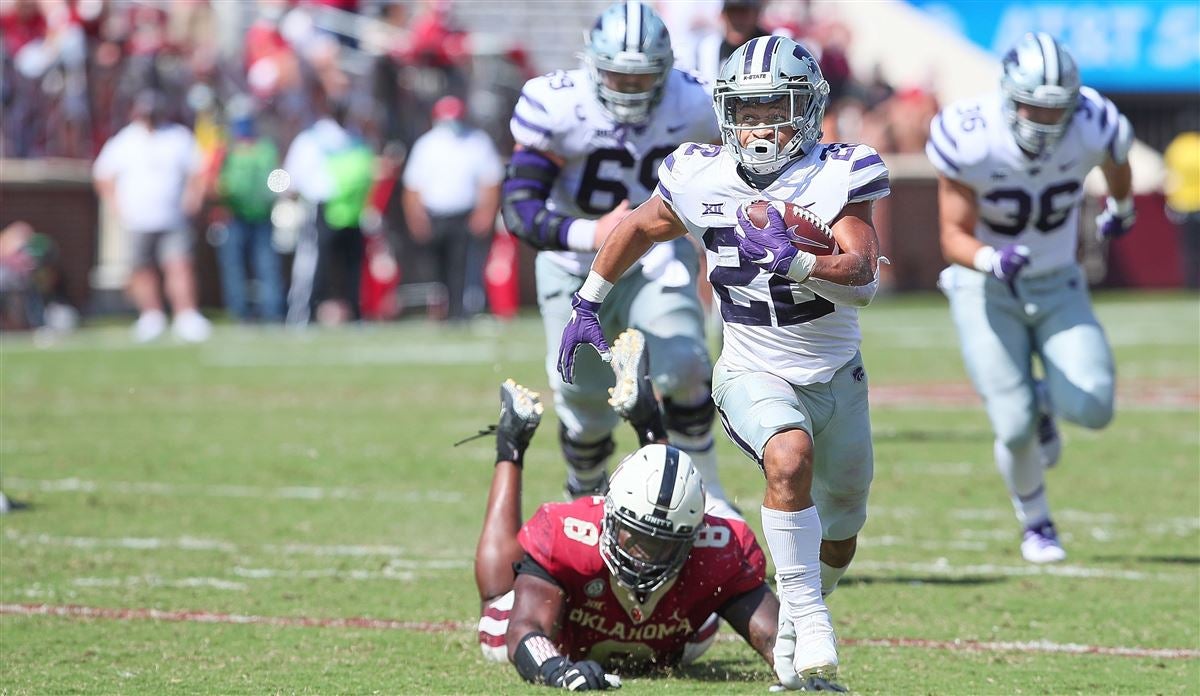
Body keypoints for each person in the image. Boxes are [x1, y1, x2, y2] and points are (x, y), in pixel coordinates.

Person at [557, 35, 889, 692]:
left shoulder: (838, 171)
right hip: (749, 366)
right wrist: (588, 300)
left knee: (844, 522)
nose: (762, 124)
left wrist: (795, 261)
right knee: (788, 458)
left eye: (776, 108)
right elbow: (637, 226)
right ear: (726, 113)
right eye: (749, 110)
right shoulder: (700, 173)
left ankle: (793, 620)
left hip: (835, 373)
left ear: (809, 108)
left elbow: (863, 276)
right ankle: (809, 614)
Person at [501, 1, 734, 515]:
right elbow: (519, 210)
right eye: (616, 76)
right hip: (571, 265)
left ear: (666, 71)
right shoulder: (557, 104)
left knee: (685, 366)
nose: (629, 89)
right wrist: (595, 232)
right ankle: (585, 497)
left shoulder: (694, 102)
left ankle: (710, 498)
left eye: (642, 78)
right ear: (592, 65)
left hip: (654, 258)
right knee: (582, 402)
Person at [925, 33, 1134, 563]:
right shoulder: (972, 136)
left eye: (1054, 110)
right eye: (1031, 108)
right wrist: (991, 259)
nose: (1043, 122)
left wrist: (1123, 204)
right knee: (1012, 425)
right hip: (984, 285)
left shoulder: (1093, 123)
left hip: (1058, 278)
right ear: (1006, 97)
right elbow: (952, 234)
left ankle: (1047, 402)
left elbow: (1117, 160)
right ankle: (1036, 523)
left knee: (1093, 407)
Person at [471, 371, 784, 688]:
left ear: (693, 535)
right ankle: (511, 443)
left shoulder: (718, 549)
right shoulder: (569, 537)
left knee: (704, 630)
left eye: (663, 544)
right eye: (635, 537)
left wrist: (800, 665)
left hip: (677, 636)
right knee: (497, 618)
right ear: (609, 517)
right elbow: (525, 629)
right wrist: (557, 669)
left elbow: (778, 638)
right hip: (566, 635)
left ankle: (651, 425)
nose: (645, 556)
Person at [93, 89, 211, 343]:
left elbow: (198, 171)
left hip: (173, 217)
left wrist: (193, 197)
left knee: (179, 265)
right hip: (137, 218)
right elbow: (102, 175)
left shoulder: (178, 137)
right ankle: (151, 316)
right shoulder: (124, 140)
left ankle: (186, 315)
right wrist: (114, 203)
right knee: (141, 269)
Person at [402, 95, 503, 321]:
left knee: (462, 267)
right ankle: (438, 312)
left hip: (464, 214)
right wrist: (416, 217)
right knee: (434, 269)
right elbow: (413, 186)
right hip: (434, 214)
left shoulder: (477, 141)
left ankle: (460, 313)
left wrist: (485, 213)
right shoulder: (426, 144)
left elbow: (490, 180)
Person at [282, 95, 375, 325]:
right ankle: (304, 314)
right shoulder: (311, 139)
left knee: (352, 266)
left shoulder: (356, 138)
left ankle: (354, 313)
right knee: (315, 264)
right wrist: (283, 195)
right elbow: (288, 178)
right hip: (320, 207)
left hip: (352, 210)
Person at [213, 104, 286, 323]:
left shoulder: (265, 149)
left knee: (267, 264)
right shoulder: (226, 151)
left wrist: (277, 197)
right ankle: (240, 312)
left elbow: (278, 178)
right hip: (233, 216)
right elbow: (215, 180)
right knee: (234, 266)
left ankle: (273, 311)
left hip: (262, 215)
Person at [681, 0, 769, 86]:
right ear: (722, 15)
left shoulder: (774, 45)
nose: (737, 19)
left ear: (756, 14)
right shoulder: (707, 49)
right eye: (732, 12)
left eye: (743, 12)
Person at [1163, 128, 1200, 289]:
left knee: (1188, 247)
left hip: (1181, 203)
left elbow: (1170, 175)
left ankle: (1191, 282)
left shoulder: (1176, 147)